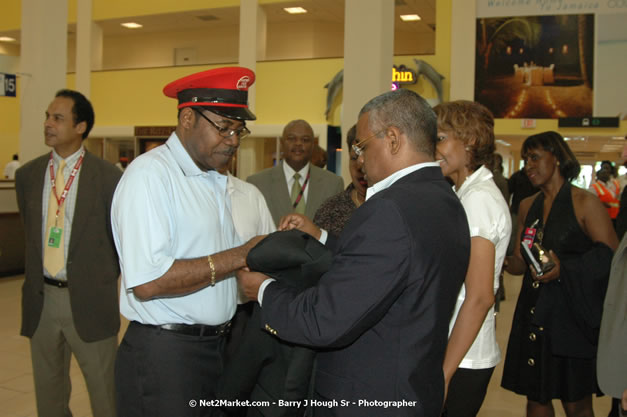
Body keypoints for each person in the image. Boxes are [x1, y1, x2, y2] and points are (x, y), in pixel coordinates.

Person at [238, 89, 471, 417]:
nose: (358, 159)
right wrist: (319, 236)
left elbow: (324, 319)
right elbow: (393, 267)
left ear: (392, 139)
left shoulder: (388, 210)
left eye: (362, 146)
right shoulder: (446, 201)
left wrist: (262, 290)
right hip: (413, 387)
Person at [111, 67, 264, 417]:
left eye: (239, 130)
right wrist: (240, 255)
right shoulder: (150, 176)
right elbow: (149, 281)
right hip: (166, 356)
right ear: (187, 118)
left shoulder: (210, 179)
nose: (234, 140)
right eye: (224, 127)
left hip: (215, 348)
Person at [14, 89, 121, 417]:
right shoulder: (27, 176)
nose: (48, 123)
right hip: (41, 299)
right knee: (49, 395)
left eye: (58, 118)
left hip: (90, 300)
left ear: (80, 127)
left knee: (105, 393)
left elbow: (120, 240)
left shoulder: (109, 178)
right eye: (47, 116)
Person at [502, 131, 619, 417]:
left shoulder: (584, 202)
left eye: (535, 157)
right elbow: (521, 262)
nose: (528, 165)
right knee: (536, 398)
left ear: (557, 157)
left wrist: (564, 269)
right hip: (535, 312)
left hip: (571, 316)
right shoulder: (528, 205)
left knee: (575, 402)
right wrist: (501, 262)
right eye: (525, 159)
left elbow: (612, 258)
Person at [434, 101, 511, 417]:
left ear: (470, 141)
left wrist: (443, 373)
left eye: (440, 138)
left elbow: (479, 296)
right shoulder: (466, 192)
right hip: (459, 348)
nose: (433, 147)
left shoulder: (478, 199)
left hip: (463, 356)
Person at [247, 119, 344, 226]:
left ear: (313, 145)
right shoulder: (257, 183)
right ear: (282, 143)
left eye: (305, 140)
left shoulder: (333, 184)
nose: (298, 143)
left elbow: (336, 231)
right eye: (291, 138)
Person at [312, 124, 367, 236]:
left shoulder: (397, 204)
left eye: (366, 157)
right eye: (354, 158)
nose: (360, 166)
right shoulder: (330, 210)